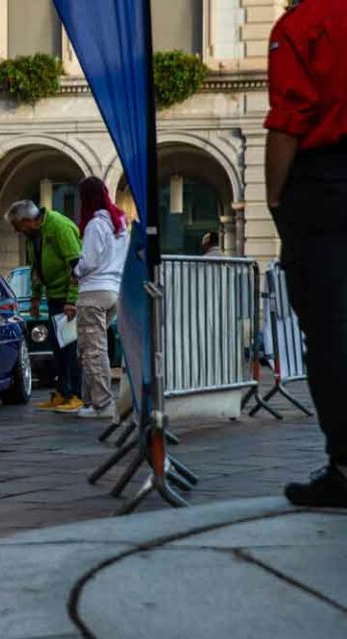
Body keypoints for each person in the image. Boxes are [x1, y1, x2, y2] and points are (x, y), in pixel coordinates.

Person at [264, 0, 347, 508]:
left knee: (332, 327)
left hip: (325, 184)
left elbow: (290, 119)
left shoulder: (302, 24)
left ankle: (344, 466)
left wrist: (277, 198)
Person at [5, 200, 83, 412]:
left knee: (69, 346)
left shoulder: (59, 227)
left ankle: (76, 394)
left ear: (28, 221)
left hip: (66, 297)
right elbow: (35, 269)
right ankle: (63, 392)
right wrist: (35, 297)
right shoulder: (33, 236)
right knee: (58, 346)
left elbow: (76, 265)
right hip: (53, 296)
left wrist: (71, 299)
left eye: (16, 226)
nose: (16, 231)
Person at [70, 177, 129, 419]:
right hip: (113, 290)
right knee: (90, 348)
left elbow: (90, 261)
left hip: (93, 292)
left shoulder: (96, 224)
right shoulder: (120, 223)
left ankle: (103, 404)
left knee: (92, 350)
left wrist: (75, 271)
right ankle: (91, 401)